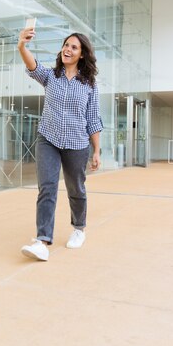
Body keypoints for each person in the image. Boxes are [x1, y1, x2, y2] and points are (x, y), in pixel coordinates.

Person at [18, 25, 103, 262]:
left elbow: (93, 118)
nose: (68, 49)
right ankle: (42, 240)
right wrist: (22, 45)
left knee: (76, 189)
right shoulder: (51, 76)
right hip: (48, 139)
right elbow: (32, 66)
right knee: (47, 187)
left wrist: (96, 150)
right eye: (66, 45)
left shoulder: (89, 85)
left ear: (82, 54)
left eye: (74, 47)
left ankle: (79, 228)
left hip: (77, 144)